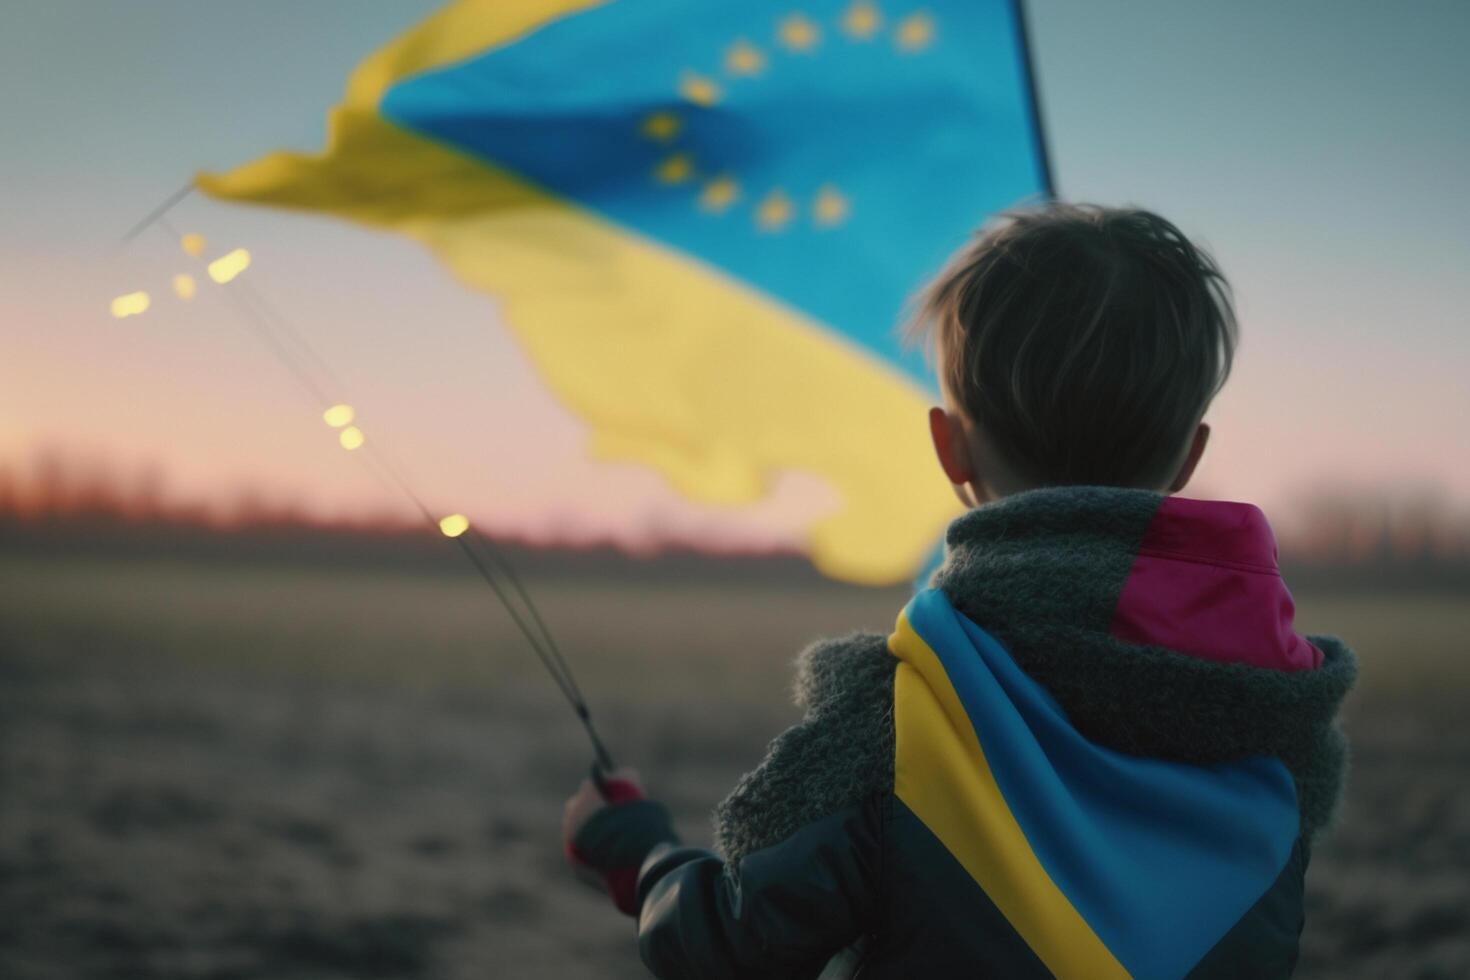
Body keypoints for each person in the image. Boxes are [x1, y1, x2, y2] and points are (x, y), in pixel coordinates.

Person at [560, 203, 1357, 979]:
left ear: (951, 448)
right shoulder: (1280, 724)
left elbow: (733, 947)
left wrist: (637, 851)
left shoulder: (906, 711)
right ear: (1189, 458)